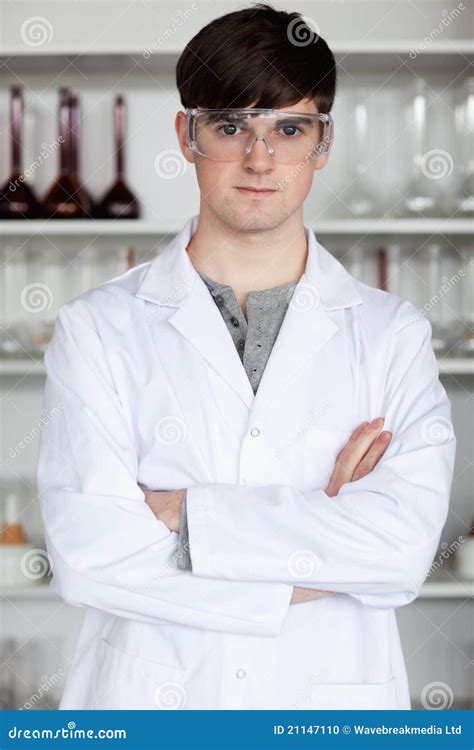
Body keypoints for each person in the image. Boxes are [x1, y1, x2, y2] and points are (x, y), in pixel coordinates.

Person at [37, 3, 456, 710]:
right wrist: (327, 539)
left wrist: (189, 517)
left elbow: (402, 549)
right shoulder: (97, 329)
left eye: (289, 129)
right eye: (231, 126)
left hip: (329, 710)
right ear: (187, 134)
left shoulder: (392, 335)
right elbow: (90, 559)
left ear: (322, 143)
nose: (260, 158)